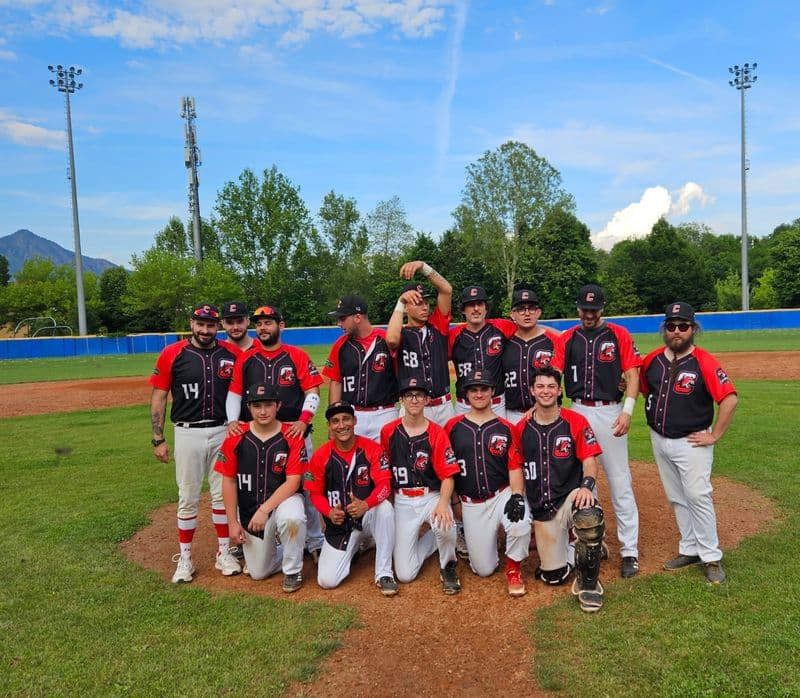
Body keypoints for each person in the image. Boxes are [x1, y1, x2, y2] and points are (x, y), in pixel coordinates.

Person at [640, 302, 738, 585]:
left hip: (692, 442)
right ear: (664, 329)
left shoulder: (704, 361)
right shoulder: (654, 360)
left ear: (693, 329)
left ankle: (711, 556)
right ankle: (690, 548)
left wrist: (715, 435)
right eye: (671, 326)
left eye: (683, 326)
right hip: (659, 438)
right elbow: (646, 387)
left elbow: (729, 399)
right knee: (677, 497)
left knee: (698, 496)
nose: (677, 331)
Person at [552, 284, 642, 579]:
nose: (588, 314)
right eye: (584, 309)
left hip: (610, 411)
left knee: (619, 480)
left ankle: (629, 551)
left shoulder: (619, 334)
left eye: (594, 309)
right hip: (577, 410)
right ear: (577, 308)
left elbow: (632, 374)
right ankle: (594, 539)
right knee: (582, 481)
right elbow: (552, 376)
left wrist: (627, 411)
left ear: (602, 308)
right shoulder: (568, 338)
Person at [148, 303, 242, 583]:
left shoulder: (231, 354)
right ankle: (185, 558)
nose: (205, 329)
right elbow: (159, 396)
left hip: (224, 431)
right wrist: (158, 438)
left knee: (221, 496)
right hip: (187, 431)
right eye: (200, 324)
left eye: (210, 325)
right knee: (187, 497)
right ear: (191, 324)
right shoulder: (172, 354)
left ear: (218, 327)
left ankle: (224, 553)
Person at [225, 305, 325, 562]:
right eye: (258, 323)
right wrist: (233, 421)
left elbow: (312, 391)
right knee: (254, 485)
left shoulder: (296, 355)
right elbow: (235, 392)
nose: (262, 328)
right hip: (256, 435)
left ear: (280, 326)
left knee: (307, 488)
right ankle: (253, 536)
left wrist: (304, 421)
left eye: (268, 323)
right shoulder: (246, 358)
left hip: (293, 431)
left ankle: (314, 540)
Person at [514, 366, 606, 612]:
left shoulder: (575, 421)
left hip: (569, 497)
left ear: (559, 390)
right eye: (541, 386)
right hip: (542, 508)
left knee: (588, 514)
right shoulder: (521, 428)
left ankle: (589, 585)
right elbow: (516, 466)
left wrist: (587, 486)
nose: (546, 391)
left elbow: (589, 460)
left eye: (551, 386)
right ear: (532, 391)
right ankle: (587, 547)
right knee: (553, 575)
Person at [444, 370, 530, 596]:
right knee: (484, 569)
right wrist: (454, 502)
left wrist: (517, 496)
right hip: (470, 502)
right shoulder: (452, 427)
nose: (479, 394)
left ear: (492, 391)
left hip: (501, 493)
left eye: (484, 389)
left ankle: (513, 570)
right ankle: (491, 542)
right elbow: (448, 470)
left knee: (520, 521)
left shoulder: (506, 427)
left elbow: (514, 467)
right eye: (474, 389)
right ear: (466, 394)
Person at [214, 382, 307, 592]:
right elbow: (228, 481)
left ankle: (293, 570)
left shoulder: (291, 435)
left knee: (292, 518)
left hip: (283, 501)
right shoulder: (235, 436)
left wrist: (265, 510)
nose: (263, 411)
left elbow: (293, 481)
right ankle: (285, 548)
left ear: (278, 405)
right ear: (249, 408)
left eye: (268, 405)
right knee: (258, 573)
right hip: (250, 511)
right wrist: (232, 522)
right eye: (257, 406)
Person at [304, 401, 399, 596]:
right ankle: (358, 546)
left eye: (346, 419)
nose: (342, 425)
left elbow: (385, 486)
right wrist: (328, 512)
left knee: (386, 510)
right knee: (327, 581)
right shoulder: (321, 456)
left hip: (367, 516)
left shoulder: (372, 449)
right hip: (341, 527)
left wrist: (366, 504)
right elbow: (314, 493)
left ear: (355, 421)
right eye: (335, 421)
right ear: (329, 426)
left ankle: (384, 572)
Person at [380, 378, 461, 594]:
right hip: (403, 500)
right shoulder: (388, 431)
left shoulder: (437, 432)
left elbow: (448, 476)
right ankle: (435, 541)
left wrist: (444, 503)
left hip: (430, 496)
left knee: (445, 523)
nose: (414, 399)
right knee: (406, 575)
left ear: (426, 400)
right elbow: (385, 471)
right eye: (409, 395)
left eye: (419, 395)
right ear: (401, 400)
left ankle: (448, 565)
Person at [385, 260, 454, 426]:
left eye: (426, 302)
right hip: (412, 408)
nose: (424, 307)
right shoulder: (401, 333)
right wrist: (400, 302)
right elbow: (392, 340)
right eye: (417, 302)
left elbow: (446, 290)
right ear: (406, 308)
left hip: (443, 407)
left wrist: (423, 267)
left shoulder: (437, 325)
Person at [324, 295, 399, 441]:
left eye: (342, 318)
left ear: (357, 317)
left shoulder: (386, 340)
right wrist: (335, 416)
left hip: (385, 414)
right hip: (351, 415)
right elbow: (336, 381)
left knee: (386, 461)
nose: (339, 323)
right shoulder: (340, 345)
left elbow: (401, 374)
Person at [449, 285, 516, 419]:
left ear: (486, 308)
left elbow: (533, 331)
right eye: (470, 305)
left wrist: (561, 337)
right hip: (464, 406)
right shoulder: (454, 335)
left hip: (496, 404)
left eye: (480, 304)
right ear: (463, 310)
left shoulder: (502, 327)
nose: (476, 309)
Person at [502, 288, 560, 425]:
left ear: (538, 312)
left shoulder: (553, 340)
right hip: (511, 413)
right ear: (512, 314)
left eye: (532, 308)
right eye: (521, 309)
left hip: (546, 412)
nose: (527, 313)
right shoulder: (504, 341)